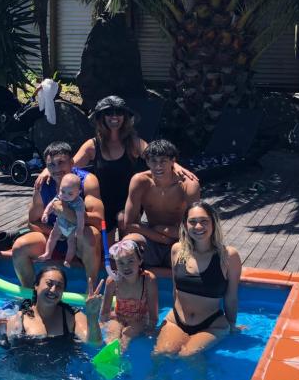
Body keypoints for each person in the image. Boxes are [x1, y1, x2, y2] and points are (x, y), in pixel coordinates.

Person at [34, 95, 197, 238]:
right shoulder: (92, 145)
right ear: (101, 117)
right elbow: (69, 165)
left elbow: (158, 157)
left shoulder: (133, 142)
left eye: (119, 112)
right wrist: (47, 169)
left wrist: (177, 167)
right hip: (102, 200)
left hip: (129, 200)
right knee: (107, 244)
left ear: (125, 117)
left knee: (123, 223)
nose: (114, 116)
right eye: (108, 113)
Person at [153, 201, 242, 357]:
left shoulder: (228, 256)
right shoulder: (177, 250)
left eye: (204, 221)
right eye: (192, 222)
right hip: (177, 321)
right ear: (185, 225)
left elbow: (231, 296)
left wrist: (232, 324)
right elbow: (175, 289)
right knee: (161, 354)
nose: (198, 227)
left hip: (211, 324)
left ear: (213, 223)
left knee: (188, 355)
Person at [12, 141, 103, 287]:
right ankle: (31, 297)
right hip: (54, 238)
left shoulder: (87, 181)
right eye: (51, 165)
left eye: (61, 163)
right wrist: (57, 234)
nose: (57, 169)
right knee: (19, 248)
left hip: (79, 240)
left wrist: (67, 213)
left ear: (72, 163)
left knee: (92, 236)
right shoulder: (43, 185)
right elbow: (32, 222)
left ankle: (91, 292)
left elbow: (99, 221)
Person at [123, 139, 200, 269]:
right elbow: (129, 224)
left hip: (179, 238)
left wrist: (164, 231)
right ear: (147, 162)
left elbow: (195, 226)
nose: (158, 166)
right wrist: (162, 237)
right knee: (126, 247)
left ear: (172, 161)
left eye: (163, 161)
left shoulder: (188, 185)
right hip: (152, 236)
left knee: (184, 264)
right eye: (154, 161)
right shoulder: (140, 181)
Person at [0, 266, 104, 350]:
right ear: (36, 285)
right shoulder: (19, 320)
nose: (53, 290)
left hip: (61, 378)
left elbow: (94, 344)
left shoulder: (72, 317)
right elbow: (3, 350)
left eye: (59, 286)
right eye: (49, 284)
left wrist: (93, 317)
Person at [100, 239, 158, 351]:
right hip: (118, 317)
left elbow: (153, 317)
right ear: (115, 264)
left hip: (140, 320)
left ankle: (121, 358)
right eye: (120, 263)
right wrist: (102, 326)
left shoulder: (148, 280)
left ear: (140, 260)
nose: (126, 267)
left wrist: (150, 330)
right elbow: (104, 313)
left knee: (127, 336)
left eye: (130, 261)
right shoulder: (112, 281)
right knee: (112, 336)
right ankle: (111, 356)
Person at [38, 173, 85, 268]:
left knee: (71, 244)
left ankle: (67, 260)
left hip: (72, 228)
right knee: (52, 236)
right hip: (60, 224)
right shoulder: (60, 196)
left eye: (70, 193)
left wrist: (80, 229)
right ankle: (48, 253)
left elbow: (80, 218)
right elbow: (51, 204)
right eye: (62, 191)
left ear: (79, 192)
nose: (65, 195)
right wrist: (45, 213)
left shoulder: (79, 203)